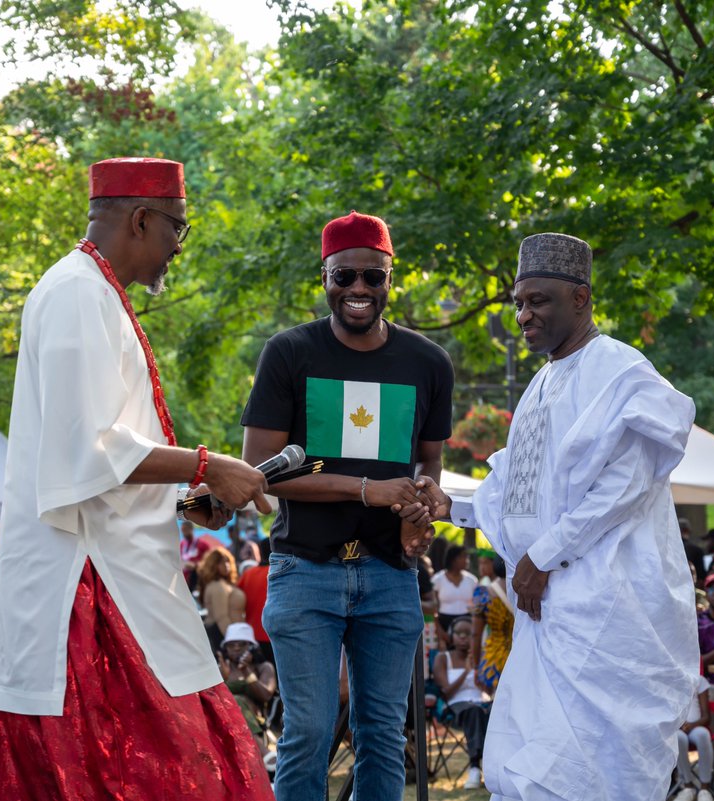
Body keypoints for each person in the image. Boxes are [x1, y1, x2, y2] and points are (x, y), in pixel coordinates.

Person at [0, 157, 274, 801]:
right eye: (178, 229)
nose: (177, 248)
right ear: (141, 219)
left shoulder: (96, 292)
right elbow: (85, 453)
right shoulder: (77, 292)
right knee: (178, 772)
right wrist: (207, 465)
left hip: (122, 577)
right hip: (86, 594)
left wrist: (179, 496)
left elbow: (105, 446)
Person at [463, 232, 698, 801]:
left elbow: (626, 486)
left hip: (607, 610)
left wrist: (542, 557)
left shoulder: (620, 371)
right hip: (547, 615)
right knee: (530, 765)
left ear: (581, 299)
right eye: (519, 302)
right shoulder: (542, 382)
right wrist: (448, 507)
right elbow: (519, 495)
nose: (524, 315)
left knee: (595, 771)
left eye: (538, 301)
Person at [240, 210, 454, 801]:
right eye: (345, 277)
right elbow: (262, 473)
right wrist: (365, 489)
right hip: (305, 569)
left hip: (390, 574)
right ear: (326, 278)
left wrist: (424, 499)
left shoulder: (428, 363)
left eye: (371, 277)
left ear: (390, 280)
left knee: (383, 735)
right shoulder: (289, 353)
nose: (358, 289)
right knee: (307, 733)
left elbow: (427, 464)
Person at [433, 616, 492, 790]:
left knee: (497, 709)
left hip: (482, 702)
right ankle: (475, 767)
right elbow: (446, 691)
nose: (463, 637)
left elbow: (489, 691)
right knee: (474, 711)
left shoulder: (482, 658)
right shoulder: (443, 658)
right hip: (456, 706)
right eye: (459, 633)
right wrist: (466, 670)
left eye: (468, 633)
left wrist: (480, 676)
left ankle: (495, 767)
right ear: (452, 635)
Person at [216, 622, 277, 756]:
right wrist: (222, 679)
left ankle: (262, 750)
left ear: (251, 647)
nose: (236, 648)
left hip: (255, 719)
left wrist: (246, 671)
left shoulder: (264, 668)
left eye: (242, 644)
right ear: (225, 648)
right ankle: (264, 753)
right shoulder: (221, 669)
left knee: (238, 700)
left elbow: (266, 695)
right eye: (231, 645)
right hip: (223, 720)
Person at [468, 554, 513, 696]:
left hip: (494, 659)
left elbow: (476, 634)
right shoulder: (524, 590)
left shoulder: (484, 594)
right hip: (521, 655)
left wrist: (476, 666)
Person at [670, 674, 714, 801]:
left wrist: (692, 725)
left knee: (703, 735)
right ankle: (687, 786)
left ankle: (705, 789)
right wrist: (677, 725)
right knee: (679, 739)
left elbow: (707, 717)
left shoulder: (699, 681)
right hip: (676, 728)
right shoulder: (670, 679)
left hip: (696, 726)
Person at [198, 546, 246, 652]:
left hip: (230, 635)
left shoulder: (222, 584)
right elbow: (221, 618)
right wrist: (235, 644)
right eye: (221, 563)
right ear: (213, 565)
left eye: (227, 561)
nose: (226, 565)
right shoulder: (217, 586)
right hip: (225, 636)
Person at [432, 545, 477, 648]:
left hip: (467, 623)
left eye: (467, 557)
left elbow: (476, 607)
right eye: (463, 557)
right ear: (453, 559)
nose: (467, 560)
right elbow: (433, 608)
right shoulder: (438, 579)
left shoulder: (472, 580)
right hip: (444, 624)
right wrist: (441, 632)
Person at [238, 544, 274, 665]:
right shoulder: (279, 573)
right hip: (276, 633)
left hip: (253, 635)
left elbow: (237, 599)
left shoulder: (248, 574)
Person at [179, 519, 211, 592]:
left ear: (191, 529)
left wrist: (195, 566)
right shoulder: (181, 545)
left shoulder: (203, 545)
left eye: (185, 530)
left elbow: (210, 563)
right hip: (183, 581)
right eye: (182, 530)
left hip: (197, 581)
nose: (183, 533)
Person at [680, 518, 706, 588]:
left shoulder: (669, 550)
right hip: (692, 587)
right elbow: (701, 577)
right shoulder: (696, 550)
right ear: (688, 530)